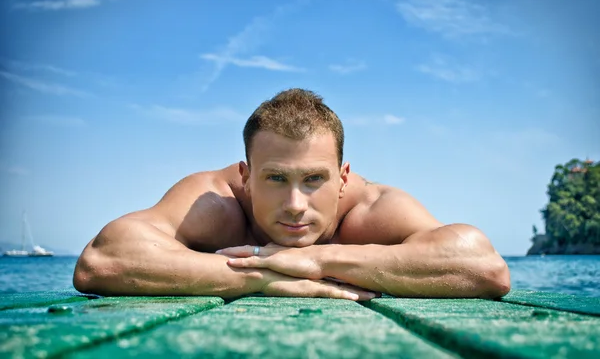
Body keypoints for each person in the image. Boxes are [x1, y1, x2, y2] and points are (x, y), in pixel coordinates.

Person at [73, 88, 510, 301]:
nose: (296, 204)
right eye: (276, 178)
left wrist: (317, 262)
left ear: (343, 177)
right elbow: (102, 260)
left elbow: (483, 267)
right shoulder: (216, 201)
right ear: (246, 175)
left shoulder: (369, 210)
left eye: (315, 179)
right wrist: (261, 275)